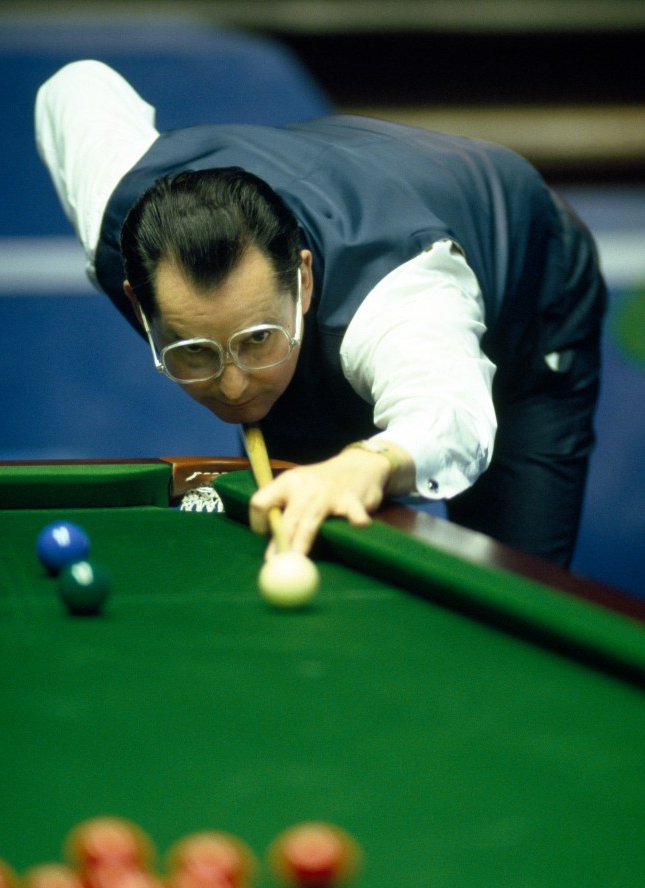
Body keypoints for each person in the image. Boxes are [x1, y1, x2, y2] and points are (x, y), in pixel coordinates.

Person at [35, 59, 606, 567]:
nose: (233, 387)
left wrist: (369, 463)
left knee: (509, 576)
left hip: (532, 305)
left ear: (302, 280)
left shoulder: (400, 299)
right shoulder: (117, 214)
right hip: (350, 197)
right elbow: (74, 85)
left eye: (258, 339)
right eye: (195, 352)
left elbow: (452, 418)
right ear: (140, 300)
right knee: (303, 525)